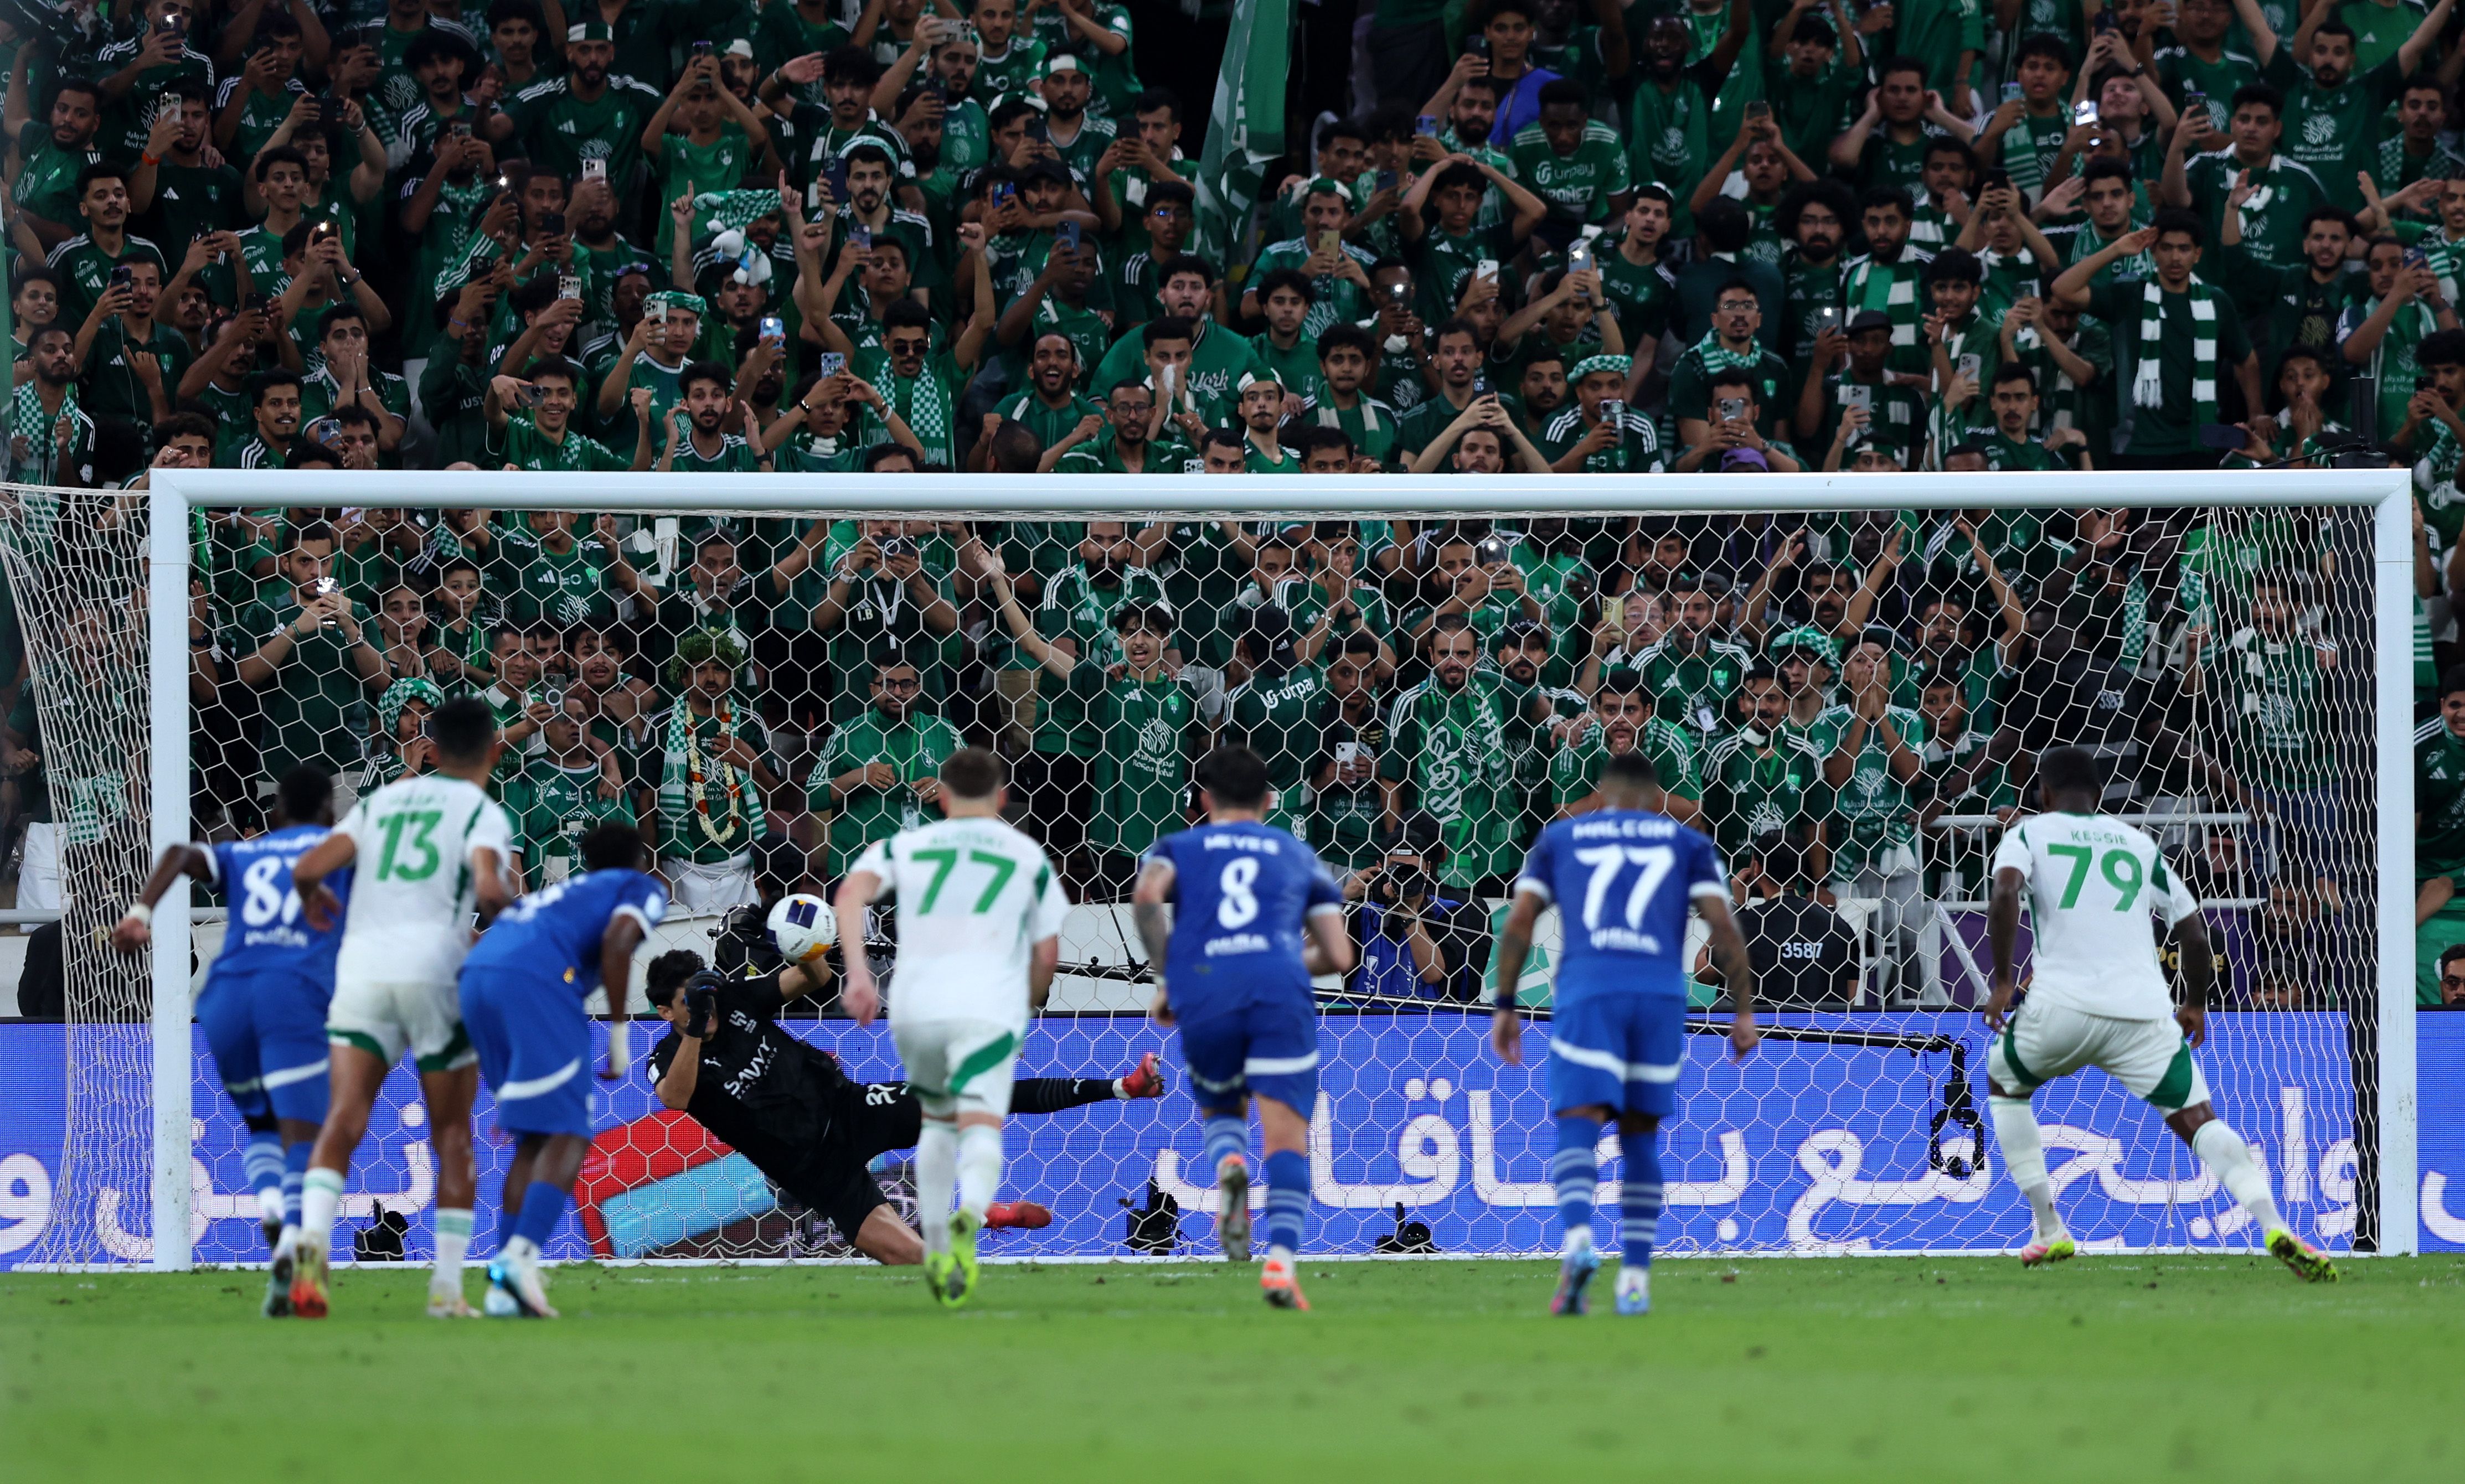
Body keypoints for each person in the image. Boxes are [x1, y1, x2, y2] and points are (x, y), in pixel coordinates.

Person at [1983, 744, 2336, 1280]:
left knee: (2005, 1083)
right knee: (2200, 1120)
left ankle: (2049, 1227)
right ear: (2098, 794)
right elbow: (2194, 930)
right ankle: (2273, 1223)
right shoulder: (2137, 842)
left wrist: (2005, 980)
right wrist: (2194, 1002)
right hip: (2144, 1013)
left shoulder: (2028, 833)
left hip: (2061, 1007)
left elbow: (2005, 891)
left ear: (2044, 794)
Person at [646, 948, 1166, 1261]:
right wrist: (695, 1028)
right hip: (810, 1170)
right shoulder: (669, 1055)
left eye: (704, 992)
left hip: (850, 1108)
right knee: (918, 1261)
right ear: (666, 1010)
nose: (706, 1005)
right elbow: (675, 1097)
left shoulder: (735, 999)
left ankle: (1123, 1086)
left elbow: (815, 978)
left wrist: (806, 942)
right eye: (690, 1000)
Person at [1490, 750, 1756, 1317]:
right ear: (1657, 798)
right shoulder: (1686, 844)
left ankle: (1579, 1241)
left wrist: (1506, 1004)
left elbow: (1520, 920)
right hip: (1659, 997)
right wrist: (1743, 1011)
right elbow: (1724, 927)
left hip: (1589, 991)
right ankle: (1634, 1278)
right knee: (1640, 1136)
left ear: (1601, 795)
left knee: (1578, 1121)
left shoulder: (1563, 838)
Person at [283, 695, 518, 1319]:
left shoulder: (383, 801)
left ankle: (307, 1270)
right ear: (493, 749)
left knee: (343, 1119)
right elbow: (489, 888)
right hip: (435, 972)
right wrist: (517, 928)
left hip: (363, 972)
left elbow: (308, 868)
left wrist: (315, 905)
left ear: (431, 748)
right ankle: (446, 1291)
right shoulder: (481, 811)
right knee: (453, 1136)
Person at [832, 747, 1070, 1307]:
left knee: (937, 1121)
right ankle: (972, 1213)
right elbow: (1047, 951)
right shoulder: (1025, 854)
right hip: (985, 1000)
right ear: (1002, 797)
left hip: (918, 1002)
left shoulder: (910, 844)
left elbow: (849, 893)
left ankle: (937, 1243)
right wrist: (1026, 1003)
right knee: (982, 1120)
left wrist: (860, 974)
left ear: (940, 797)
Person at [111, 764, 345, 1316]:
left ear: (277, 813)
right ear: (328, 813)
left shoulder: (247, 852)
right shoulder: (339, 854)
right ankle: (296, 1256)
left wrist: (141, 912)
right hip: (292, 996)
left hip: (224, 1001)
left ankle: (274, 1211)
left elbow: (180, 852)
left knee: (262, 1126)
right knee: (306, 1138)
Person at [1133, 745, 1355, 1309]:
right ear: (1270, 800)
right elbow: (1339, 954)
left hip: (1208, 989)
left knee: (1224, 1111)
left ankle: (1229, 1165)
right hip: (1278, 994)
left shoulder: (1179, 846)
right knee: (1286, 1140)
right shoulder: (1296, 852)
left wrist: (1172, 975)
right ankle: (1280, 1265)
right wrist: (1276, 960)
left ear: (1204, 799)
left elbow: (1147, 894)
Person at [456, 823, 665, 1317]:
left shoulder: (563, 894)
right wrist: (619, 1033)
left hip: (477, 974)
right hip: (536, 983)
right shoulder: (638, 886)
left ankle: (505, 1282)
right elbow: (618, 941)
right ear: (640, 859)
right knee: (570, 1132)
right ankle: (520, 1260)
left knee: (534, 1139)